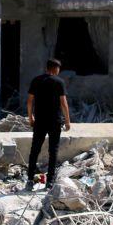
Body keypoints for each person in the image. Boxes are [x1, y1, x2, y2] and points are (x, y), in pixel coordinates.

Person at [26, 58, 72, 189]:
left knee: (34, 150)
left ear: (47, 68)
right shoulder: (59, 82)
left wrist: (31, 118)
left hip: (39, 121)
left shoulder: (36, 80)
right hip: (55, 122)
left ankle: (29, 180)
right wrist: (68, 121)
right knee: (53, 151)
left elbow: (29, 101)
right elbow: (63, 103)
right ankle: (50, 182)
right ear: (56, 69)